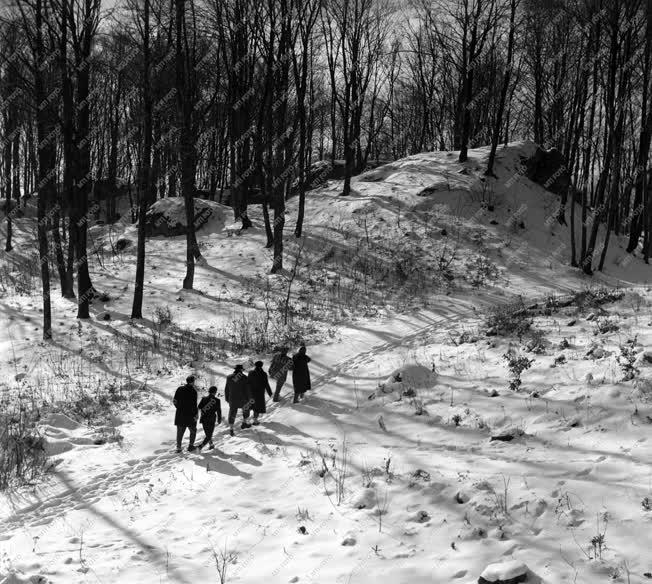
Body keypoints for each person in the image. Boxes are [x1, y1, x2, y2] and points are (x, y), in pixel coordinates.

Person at [225, 364, 252, 436]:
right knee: (246, 410)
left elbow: (227, 389)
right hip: (243, 399)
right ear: (241, 370)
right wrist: (249, 399)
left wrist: (227, 398)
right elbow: (248, 390)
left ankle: (231, 429)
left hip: (232, 399)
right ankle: (244, 423)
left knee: (232, 413)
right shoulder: (245, 378)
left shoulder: (229, 377)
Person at [173, 375, 199, 452]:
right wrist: (196, 414)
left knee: (180, 432)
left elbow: (174, 401)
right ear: (192, 382)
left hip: (180, 414)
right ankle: (190, 446)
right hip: (190, 415)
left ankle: (178, 448)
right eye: (194, 381)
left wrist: (179, 408)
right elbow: (194, 405)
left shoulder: (179, 389)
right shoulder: (194, 391)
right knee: (193, 431)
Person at [248, 361, 272, 425]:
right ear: (261, 366)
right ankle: (255, 420)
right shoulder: (264, 374)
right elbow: (266, 384)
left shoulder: (251, 373)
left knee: (252, 405)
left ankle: (246, 420)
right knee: (257, 407)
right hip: (260, 393)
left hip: (251, 392)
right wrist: (270, 393)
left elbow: (248, 383)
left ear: (255, 365)